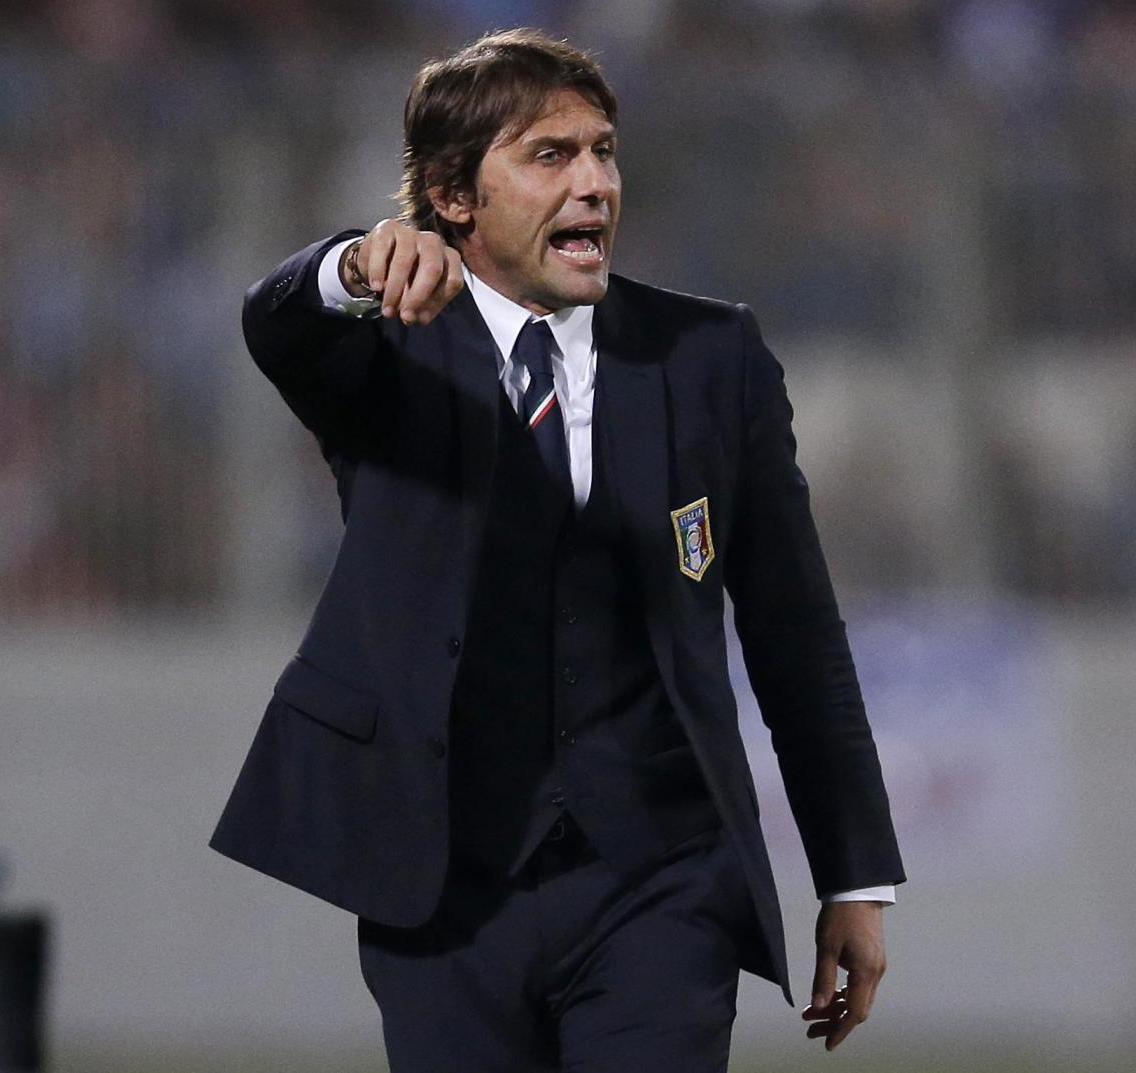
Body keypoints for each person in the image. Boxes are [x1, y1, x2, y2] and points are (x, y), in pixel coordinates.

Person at [211, 27, 905, 1072]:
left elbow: (794, 630)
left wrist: (854, 874)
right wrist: (351, 264)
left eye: (602, 152)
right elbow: (277, 325)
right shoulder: (387, 346)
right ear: (454, 195)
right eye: (550, 155)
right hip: (444, 889)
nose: (593, 184)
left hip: (661, 879)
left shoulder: (709, 358)